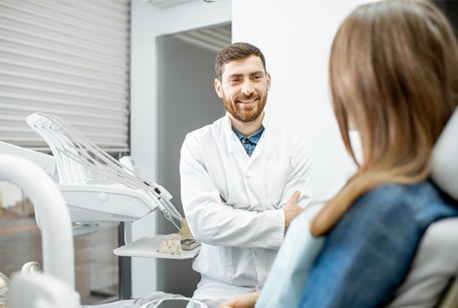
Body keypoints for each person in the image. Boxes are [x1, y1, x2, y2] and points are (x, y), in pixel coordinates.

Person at [219, 0, 458, 307]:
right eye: (235, 80)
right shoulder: (418, 195)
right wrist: (263, 299)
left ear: (365, 84)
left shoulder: (385, 209)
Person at [179, 42, 313, 305]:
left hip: (281, 283)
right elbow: (204, 224)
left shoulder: (295, 148)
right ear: (219, 87)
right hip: (218, 288)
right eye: (235, 80)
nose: (247, 89)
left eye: (255, 77)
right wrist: (278, 219)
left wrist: (228, 213)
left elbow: (296, 226)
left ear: (268, 81)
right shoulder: (198, 144)